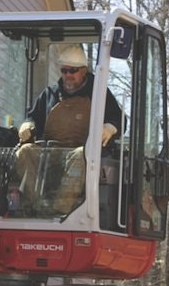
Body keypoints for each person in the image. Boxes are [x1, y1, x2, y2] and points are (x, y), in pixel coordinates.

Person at [13, 44, 122, 214]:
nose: (68, 75)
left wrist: (110, 127)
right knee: (25, 151)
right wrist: (28, 123)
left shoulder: (99, 93)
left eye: (73, 70)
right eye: (64, 71)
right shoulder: (50, 94)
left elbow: (119, 118)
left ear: (84, 70)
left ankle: (60, 211)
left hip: (82, 153)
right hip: (51, 152)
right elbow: (34, 117)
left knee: (80, 155)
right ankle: (35, 205)